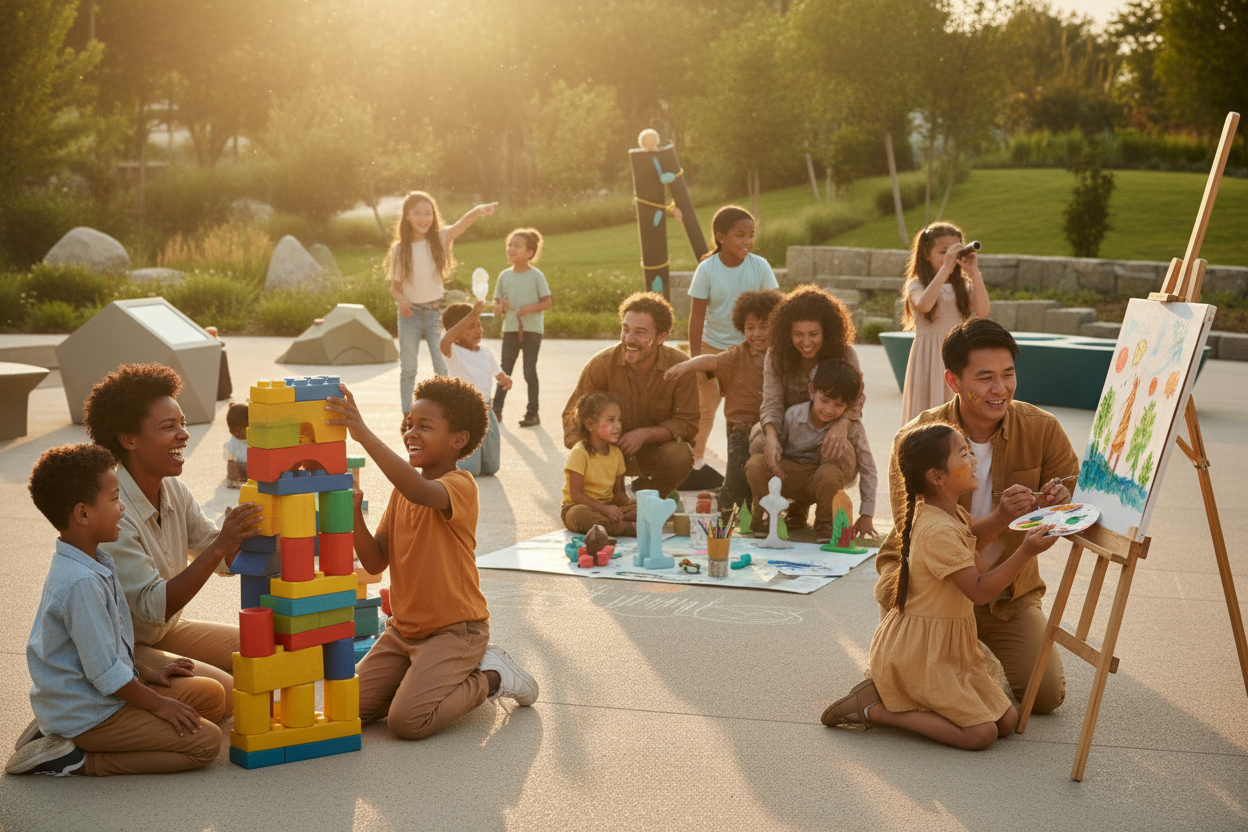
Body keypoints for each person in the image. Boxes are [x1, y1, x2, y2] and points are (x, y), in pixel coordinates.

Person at [874, 318, 1079, 714]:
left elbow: (1079, 500)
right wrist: (1004, 521)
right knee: (925, 691)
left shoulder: (1042, 428)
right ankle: (904, 665)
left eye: (1008, 374)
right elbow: (913, 535)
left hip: (1007, 592)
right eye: (985, 378)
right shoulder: (917, 438)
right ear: (953, 381)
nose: (999, 389)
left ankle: (965, 659)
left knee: (1045, 696)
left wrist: (1063, 500)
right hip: (932, 590)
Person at [823, 423, 1058, 749]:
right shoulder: (936, 529)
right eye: (963, 454)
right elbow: (978, 590)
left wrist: (1003, 515)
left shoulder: (950, 514)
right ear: (936, 477)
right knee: (982, 735)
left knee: (1005, 722)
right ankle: (874, 708)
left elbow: (970, 540)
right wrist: (1026, 551)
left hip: (948, 645)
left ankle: (907, 699)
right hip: (922, 652)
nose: (974, 461)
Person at [326, 377, 537, 739]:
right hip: (402, 632)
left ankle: (492, 676)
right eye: (409, 424)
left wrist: (362, 433)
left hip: (454, 631)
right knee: (342, 712)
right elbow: (376, 562)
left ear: (459, 439)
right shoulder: (402, 492)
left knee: (406, 722)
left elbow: (421, 490)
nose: (411, 433)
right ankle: (420, 680)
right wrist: (353, 515)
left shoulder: (460, 485)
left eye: (425, 426)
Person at [7, 444, 224, 777]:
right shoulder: (80, 582)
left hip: (101, 694)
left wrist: (146, 673)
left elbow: (105, 646)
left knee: (212, 696)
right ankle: (76, 760)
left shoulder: (94, 560)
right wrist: (160, 704)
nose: (123, 508)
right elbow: (105, 674)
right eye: (114, 499)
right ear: (82, 514)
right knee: (205, 742)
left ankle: (54, 730)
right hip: (92, 713)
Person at [83, 363, 262, 720]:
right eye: (169, 427)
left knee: (262, 647)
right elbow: (156, 605)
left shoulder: (174, 490)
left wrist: (258, 524)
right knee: (221, 695)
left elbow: (220, 553)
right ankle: (110, 710)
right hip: (128, 645)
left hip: (165, 632)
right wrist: (221, 545)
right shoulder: (115, 510)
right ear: (129, 439)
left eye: (182, 423)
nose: (183, 435)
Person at [562, 292, 698, 499]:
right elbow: (573, 417)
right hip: (606, 451)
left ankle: (653, 498)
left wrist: (644, 434)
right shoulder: (601, 364)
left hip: (654, 452)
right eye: (625, 329)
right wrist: (593, 452)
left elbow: (687, 423)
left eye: (640, 332)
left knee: (680, 454)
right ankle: (609, 496)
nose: (629, 339)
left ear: (661, 337)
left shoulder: (680, 366)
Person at [757, 285, 864, 530]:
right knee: (758, 440)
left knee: (841, 448)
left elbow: (857, 398)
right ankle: (783, 505)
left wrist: (843, 423)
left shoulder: (845, 354)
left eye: (814, 334)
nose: (806, 342)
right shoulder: (775, 356)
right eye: (798, 334)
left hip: (827, 435)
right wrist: (772, 436)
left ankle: (825, 514)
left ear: (828, 331)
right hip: (791, 436)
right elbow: (771, 401)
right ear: (787, 333)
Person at [665, 289, 780, 514]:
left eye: (764, 327)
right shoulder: (737, 355)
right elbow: (712, 361)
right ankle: (728, 500)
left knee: (766, 476)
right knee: (738, 482)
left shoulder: (781, 357)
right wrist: (686, 365)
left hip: (772, 429)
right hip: (739, 429)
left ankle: (761, 506)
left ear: (777, 325)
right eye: (750, 328)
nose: (757, 333)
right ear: (741, 328)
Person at [387, 190, 498, 415]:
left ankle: (445, 411)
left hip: (436, 313)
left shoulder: (439, 238)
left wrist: (478, 210)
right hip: (410, 316)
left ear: (433, 215)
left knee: (442, 366)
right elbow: (394, 287)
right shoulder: (400, 249)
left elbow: (461, 225)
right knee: (408, 369)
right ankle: (407, 415)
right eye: (417, 213)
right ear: (407, 216)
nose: (423, 218)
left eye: (428, 213)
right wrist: (402, 302)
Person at [686, 206, 779, 470]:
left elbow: (776, 309)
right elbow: (696, 318)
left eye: (751, 235)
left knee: (749, 410)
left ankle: (753, 464)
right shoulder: (707, 269)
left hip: (750, 349)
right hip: (712, 348)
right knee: (704, 409)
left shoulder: (759, 266)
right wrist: (696, 360)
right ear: (721, 237)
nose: (748, 241)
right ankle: (694, 463)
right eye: (740, 235)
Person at [745, 360, 877, 543]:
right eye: (824, 401)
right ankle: (766, 515)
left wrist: (867, 514)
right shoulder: (793, 416)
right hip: (788, 476)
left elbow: (868, 468)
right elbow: (764, 449)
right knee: (755, 464)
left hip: (822, 482)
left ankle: (825, 522)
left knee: (829, 472)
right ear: (811, 391)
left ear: (849, 405)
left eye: (839, 405)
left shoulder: (853, 428)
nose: (829, 410)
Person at [899, 223, 991, 423]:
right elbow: (924, 304)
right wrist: (946, 268)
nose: (949, 257)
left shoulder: (962, 286)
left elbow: (983, 310)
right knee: (927, 411)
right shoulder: (916, 284)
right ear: (926, 254)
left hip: (957, 354)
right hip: (929, 356)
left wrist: (973, 272)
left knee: (956, 412)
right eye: (943, 252)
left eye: (954, 252)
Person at [440, 301, 512, 478]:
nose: (478, 330)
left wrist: (505, 379)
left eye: (478, 324)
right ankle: (445, 461)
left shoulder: (486, 351)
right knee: (470, 470)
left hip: (487, 409)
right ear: (456, 332)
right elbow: (446, 339)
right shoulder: (453, 351)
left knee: (491, 467)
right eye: (470, 327)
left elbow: (499, 373)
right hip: (464, 412)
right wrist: (473, 314)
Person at [492, 228, 551, 428]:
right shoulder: (504, 276)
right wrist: (500, 306)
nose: (511, 249)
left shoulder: (536, 276)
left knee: (528, 371)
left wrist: (529, 309)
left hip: (532, 331)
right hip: (510, 330)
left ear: (529, 253)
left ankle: (532, 412)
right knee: (504, 370)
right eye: (510, 244)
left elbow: (547, 302)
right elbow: (497, 304)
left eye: (517, 246)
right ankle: (496, 410)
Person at [562, 392, 637, 537]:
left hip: (608, 506)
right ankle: (623, 527)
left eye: (618, 419)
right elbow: (576, 495)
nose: (618, 426)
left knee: (644, 509)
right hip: (579, 507)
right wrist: (604, 509)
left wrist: (628, 506)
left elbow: (620, 493)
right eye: (610, 420)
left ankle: (617, 525)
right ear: (590, 424)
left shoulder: (617, 454)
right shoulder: (580, 452)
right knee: (580, 514)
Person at [224, 402, 248, 488]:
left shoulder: (257, 437)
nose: (238, 434)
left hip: (254, 464)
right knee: (232, 462)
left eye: (240, 430)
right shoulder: (234, 441)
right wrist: (234, 474)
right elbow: (230, 457)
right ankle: (235, 479)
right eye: (233, 431)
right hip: (240, 464)